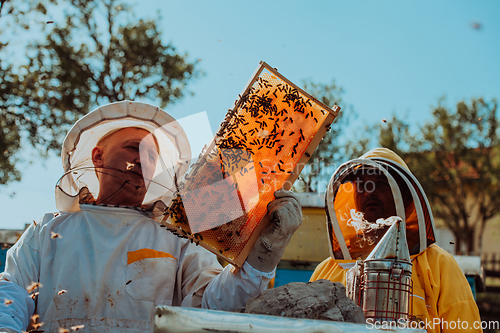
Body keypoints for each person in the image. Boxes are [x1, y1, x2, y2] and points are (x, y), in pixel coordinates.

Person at [0, 101, 302, 333]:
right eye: (133, 148)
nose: (142, 162)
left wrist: (263, 255)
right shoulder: (48, 231)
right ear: (98, 156)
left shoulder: (175, 237)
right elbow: (10, 297)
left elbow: (213, 309)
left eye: (151, 157)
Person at [310, 148, 482, 333]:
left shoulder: (439, 266)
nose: (370, 192)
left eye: (382, 184)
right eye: (362, 185)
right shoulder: (327, 270)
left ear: (406, 197)